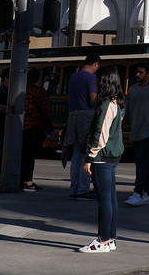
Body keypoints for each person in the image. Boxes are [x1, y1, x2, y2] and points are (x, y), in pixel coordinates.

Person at [78, 65, 126, 253]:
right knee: (111, 199)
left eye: (98, 80)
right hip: (113, 155)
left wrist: (89, 156)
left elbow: (100, 134)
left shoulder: (106, 104)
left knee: (104, 200)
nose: (95, 82)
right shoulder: (118, 103)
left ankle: (103, 239)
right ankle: (110, 238)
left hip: (101, 156)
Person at [125, 62, 149, 206]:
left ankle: (139, 192)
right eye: (137, 72)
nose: (137, 75)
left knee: (141, 163)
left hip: (148, 132)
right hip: (136, 132)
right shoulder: (133, 89)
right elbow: (127, 111)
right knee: (143, 163)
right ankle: (148, 193)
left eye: (141, 72)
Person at [64, 52, 101, 200]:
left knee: (75, 155)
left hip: (73, 116)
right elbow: (93, 100)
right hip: (87, 116)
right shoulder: (91, 78)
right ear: (96, 64)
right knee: (86, 154)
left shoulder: (73, 77)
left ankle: (74, 189)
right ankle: (83, 189)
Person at [21, 68, 52, 190]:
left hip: (21, 127)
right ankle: (27, 180)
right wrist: (50, 128)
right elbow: (45, 111)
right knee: (29, 156)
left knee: (22, 155)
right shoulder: (38, 92)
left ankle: (19, 177)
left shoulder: (22, 90)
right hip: (34, 126)